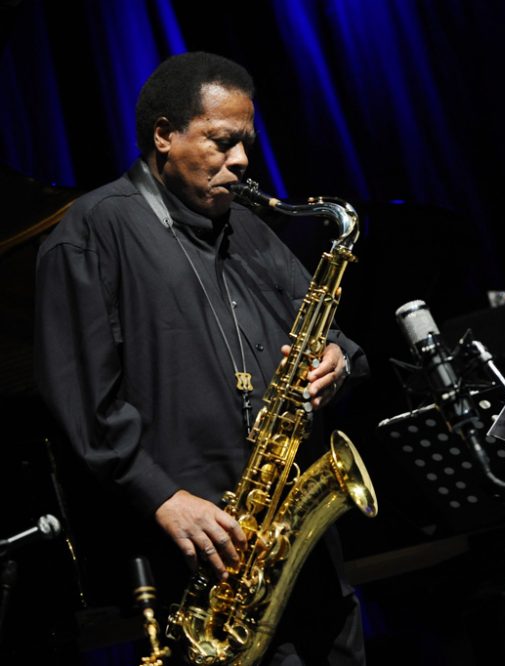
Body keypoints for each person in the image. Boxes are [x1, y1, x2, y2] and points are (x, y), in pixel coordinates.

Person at [35, 52, 368, 665]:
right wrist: (163, 496)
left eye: (245, 143)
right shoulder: (93, 231)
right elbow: (80, 401)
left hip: (296, 549)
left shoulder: (251, 227)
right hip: (197, 562)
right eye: (221, 142)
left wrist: (339, 360)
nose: (240, 162)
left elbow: (329, 335)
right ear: (164, 135)